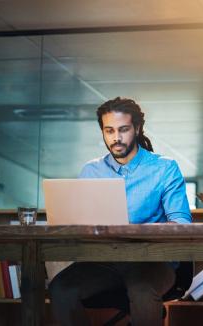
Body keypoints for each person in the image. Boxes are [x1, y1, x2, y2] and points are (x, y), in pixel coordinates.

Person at [48, 97, 192, 326]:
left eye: (123, 129)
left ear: (136, 128)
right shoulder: (91, 170)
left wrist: (141, 230)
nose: (116, 138)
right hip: (104, 261)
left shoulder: (164, 168)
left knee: (142, 289)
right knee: (61, 289)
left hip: (152, 261)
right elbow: (81, 220)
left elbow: (181, 222)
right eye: (109, 130)